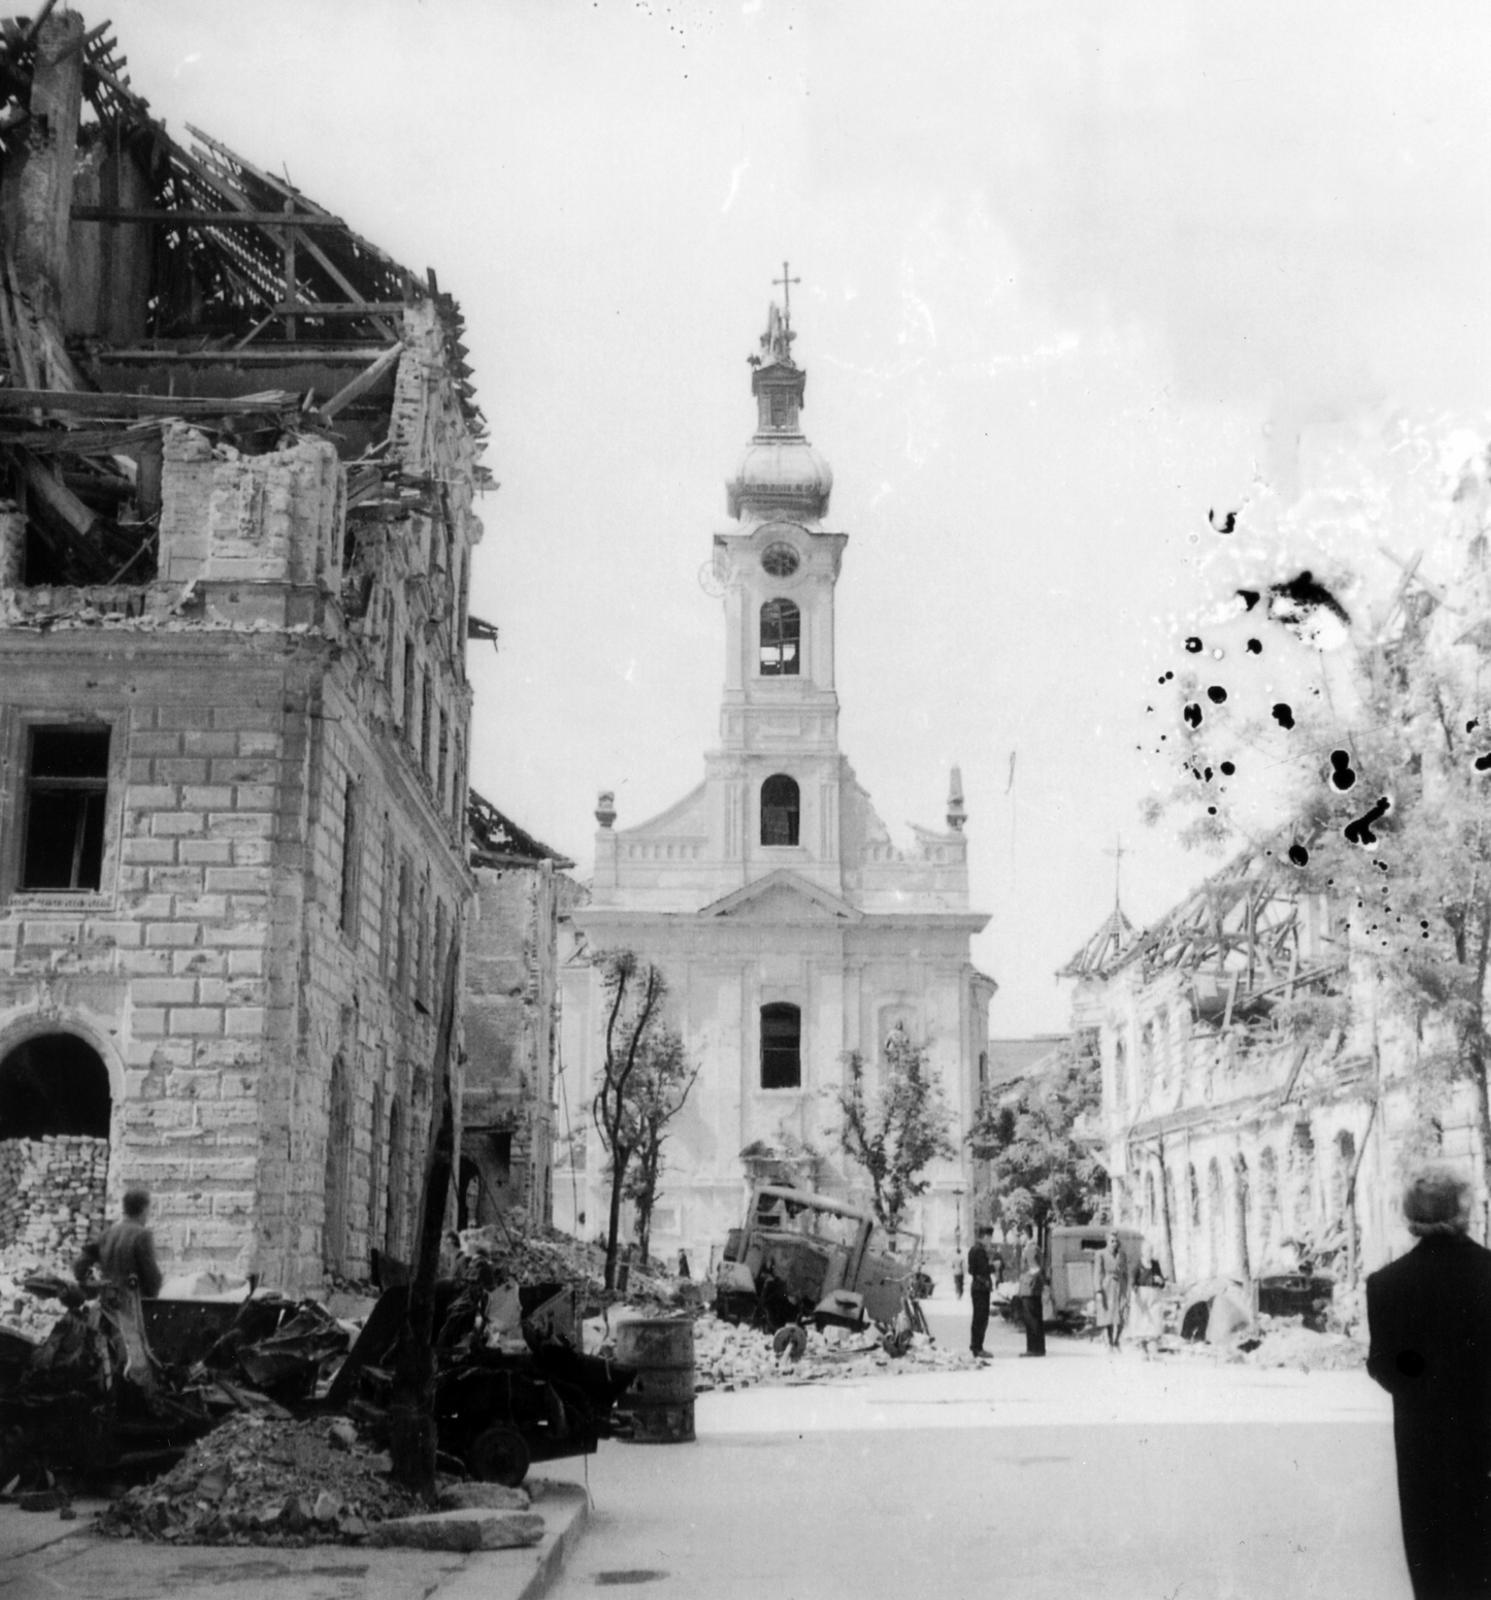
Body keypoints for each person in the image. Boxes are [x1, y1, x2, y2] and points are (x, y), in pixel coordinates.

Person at [1367, 1166, 1491, 1600]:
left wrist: (1429, 1377)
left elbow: (1386, 1367)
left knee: (1433, 1565)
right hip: (1484, 1442)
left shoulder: (1386, 1285)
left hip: (1424, 1446)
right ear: (1464, 1209)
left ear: (1409, 1214)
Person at [98, 1186, 162, 1299]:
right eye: (149, 1209)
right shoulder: (142, 1235)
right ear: (143, 1209)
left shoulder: (107, 1233)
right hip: (131, 1304)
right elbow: (152, 1276)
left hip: (108, 1303)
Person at [1129, 1247, 1166, 1359]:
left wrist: (1161, 1281)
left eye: (1151, 1251)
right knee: (1141, 1323)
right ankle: (1143, 1352)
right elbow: (1132, 1281)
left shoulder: (1155, 1264)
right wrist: (1134, 1290)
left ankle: (1153, 1352)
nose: (1149, 1253)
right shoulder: (1137, 1264)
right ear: (1143, 1252)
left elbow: (1162, 1282)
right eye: (1147, 1251)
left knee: (1155, 1323)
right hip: (1141, 1297)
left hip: (1154, 1296)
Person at [1094, 1231, 1129, 1352]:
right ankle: (1109, 1342)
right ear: (1107, 1242)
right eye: (1112, 1241)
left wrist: (1127, 1290)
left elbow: (1125, 1273)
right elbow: (1098, 1272)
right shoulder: (1101, 1254)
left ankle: (1116, 1341)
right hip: (1107, 1286)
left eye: (1116, 1241)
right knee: (1107, 1315)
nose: (1114, 1243)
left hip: (1120, 1286)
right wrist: (1098, 1290)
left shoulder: (1122, 1254)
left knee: (1122, 1314)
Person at [1018, 1224, 1046, 1357]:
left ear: (1026, 1234)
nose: (1019, 1238)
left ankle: (1033, 1349)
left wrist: (1027, 1280)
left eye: (1020, 1234)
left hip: (1029, 1287)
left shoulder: (1030, 1249)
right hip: (1033, 1287)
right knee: (1035, 1318)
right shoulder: (1032, 1248)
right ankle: (1038, 1348)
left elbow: (1036, 1268)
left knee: (1031, 1319)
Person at [967, 1224, 994, 1359]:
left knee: (978, 1317)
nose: (990, 1241)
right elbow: (984, 1269)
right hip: (981, 1287)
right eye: (989, 1238)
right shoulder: (980, 1251)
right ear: (985, 1237)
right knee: (981, 1318)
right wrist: (994, 1266)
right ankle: (978, 1347)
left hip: (976, 1286)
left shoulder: (973, 1250)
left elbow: (971, 1270)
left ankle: (975, 1346)